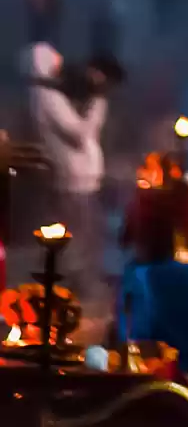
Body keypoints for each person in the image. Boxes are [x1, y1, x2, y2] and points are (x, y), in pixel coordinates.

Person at [25, 45, 123, 316]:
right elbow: (79, 133)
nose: (61, 63)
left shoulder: (51, 93)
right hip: (73, 179)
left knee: (90, 236)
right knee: (80, 240)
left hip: (82, 179)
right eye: (54, 59)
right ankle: (79, 293)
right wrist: (98, 102)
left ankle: (82, 290)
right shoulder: (46, 97)